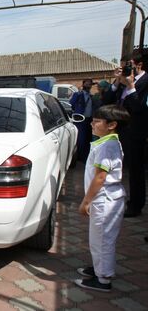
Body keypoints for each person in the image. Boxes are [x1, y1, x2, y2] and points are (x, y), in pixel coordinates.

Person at [75, 105, 130, 292]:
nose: (92, 124)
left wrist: (86, 201)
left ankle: (103, 278)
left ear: (112, 125)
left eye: (97, 121)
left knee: (103, 239)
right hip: (104, 199)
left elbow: (100, 177)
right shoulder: (106, 142)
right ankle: (99, 268)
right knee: (98, 238)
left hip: (104, 200)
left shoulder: (107, 146)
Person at [114, 51, 148, 218]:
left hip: (136, 133)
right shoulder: (124, 82)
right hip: (122, 131)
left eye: (128, 65)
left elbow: (140, 108)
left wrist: (131, 87)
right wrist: (118, 82)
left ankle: (135, 205)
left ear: (138, 65)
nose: (125, 69)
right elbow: (111, 101)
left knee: (136, 171)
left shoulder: (145, 82)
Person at [70, 79, 95, 161]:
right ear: (83, 84)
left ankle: (86, 156)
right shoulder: (78, 94)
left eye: (90, 84)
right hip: (80, 120)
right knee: (81, 138)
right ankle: (80, 157)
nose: (88, 85)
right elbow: (72, 104)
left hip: (89, 120)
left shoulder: (91, 96)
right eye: (87, 83)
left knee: (88, 139)